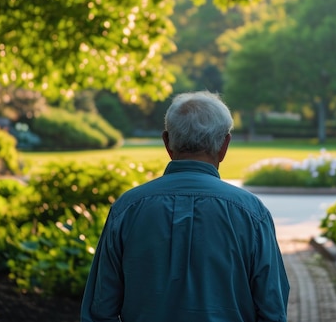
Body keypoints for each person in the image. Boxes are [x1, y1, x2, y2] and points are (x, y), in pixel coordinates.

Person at [80, 91, 289, 322]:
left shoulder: (128, 209)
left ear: (167, 142)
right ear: (224, 145)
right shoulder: (251, 213)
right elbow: (273, 311)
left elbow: (100, 311)